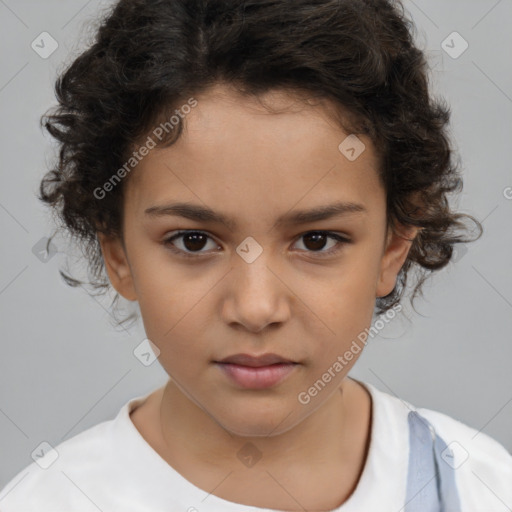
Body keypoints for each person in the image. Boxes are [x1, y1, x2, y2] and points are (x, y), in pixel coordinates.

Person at [1, 0, 511, 510]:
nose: (255, 308)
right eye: (193, 241)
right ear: (117, 251)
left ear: (394, 244)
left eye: (317, 240)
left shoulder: (479, 487)